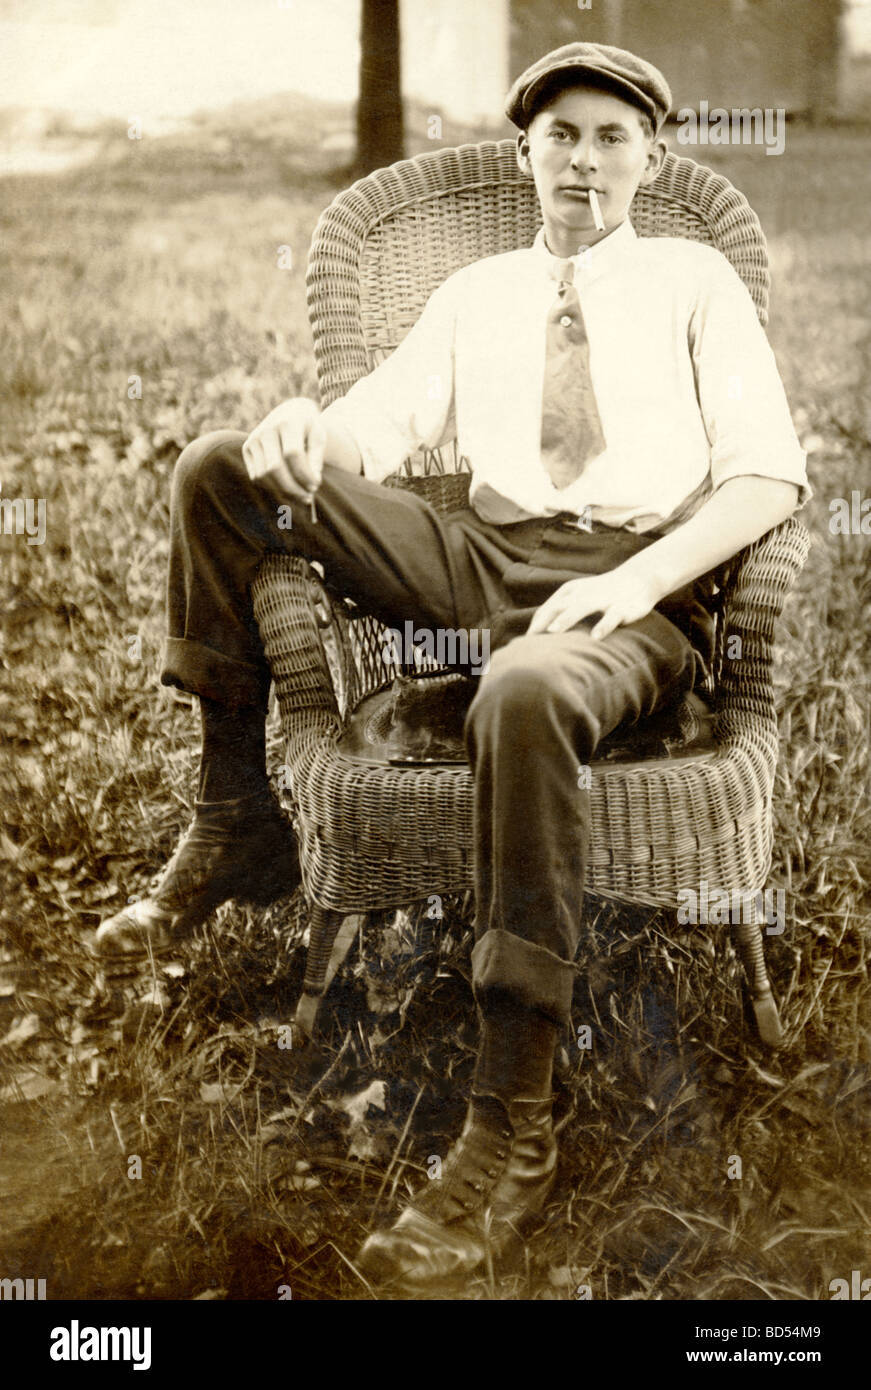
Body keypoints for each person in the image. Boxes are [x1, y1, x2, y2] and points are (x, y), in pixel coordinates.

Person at [94, 42, 810, 1289]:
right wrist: (310, 431)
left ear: (650, 155)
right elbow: (380, 422)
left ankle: (508, 1122)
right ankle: (233, 815)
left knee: (529, 686)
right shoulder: (479, 290)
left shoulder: (695, 279)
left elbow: (765, 476)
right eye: (559, 137)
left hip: (634, 593)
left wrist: (634, 583)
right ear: (524, 150)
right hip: (478, 560)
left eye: (610, 137)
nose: (582, 161)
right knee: (219, 467)